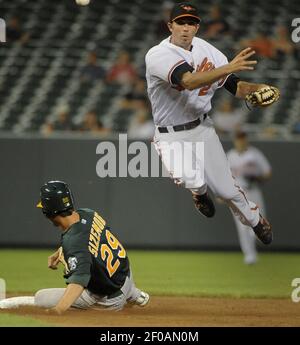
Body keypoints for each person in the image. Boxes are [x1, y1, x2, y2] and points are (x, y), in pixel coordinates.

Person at [145, 2, 278, 246]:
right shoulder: (157, 54)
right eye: (180, 22)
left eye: (191, 23)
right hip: (170, 135)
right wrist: (228, 67)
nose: (186, 28)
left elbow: (234, 85)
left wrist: (255, 89)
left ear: (197, 26)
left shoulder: (208, 51)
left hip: (202, 129)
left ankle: (256, 220)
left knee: (227, 191)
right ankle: (199, 193)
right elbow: (189, 81)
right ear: (170, 26)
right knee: (190, 178)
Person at [0, 181, 149, 313]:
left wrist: (58, 310)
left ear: (48, 211)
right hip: (126, 275)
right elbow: (88, 242)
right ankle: (134, 294)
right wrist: (61, 251)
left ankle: (119, 302)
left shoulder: (74, 241)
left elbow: (79, 282)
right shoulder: (88, 213)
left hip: (108, 299)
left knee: (41, 297)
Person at [227, 131, 272, 264]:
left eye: (242, 138)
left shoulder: (255, 154)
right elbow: (224, 178)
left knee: (259, 222)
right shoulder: (230, 156)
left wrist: (258, 177)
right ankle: (249, 254)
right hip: (237, 195)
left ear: (246, 140)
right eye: (238, 139)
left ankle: (253, 245)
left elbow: (267, 172)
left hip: (253, 191)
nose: (240, 141)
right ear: (235, 140)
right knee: (242, 226)